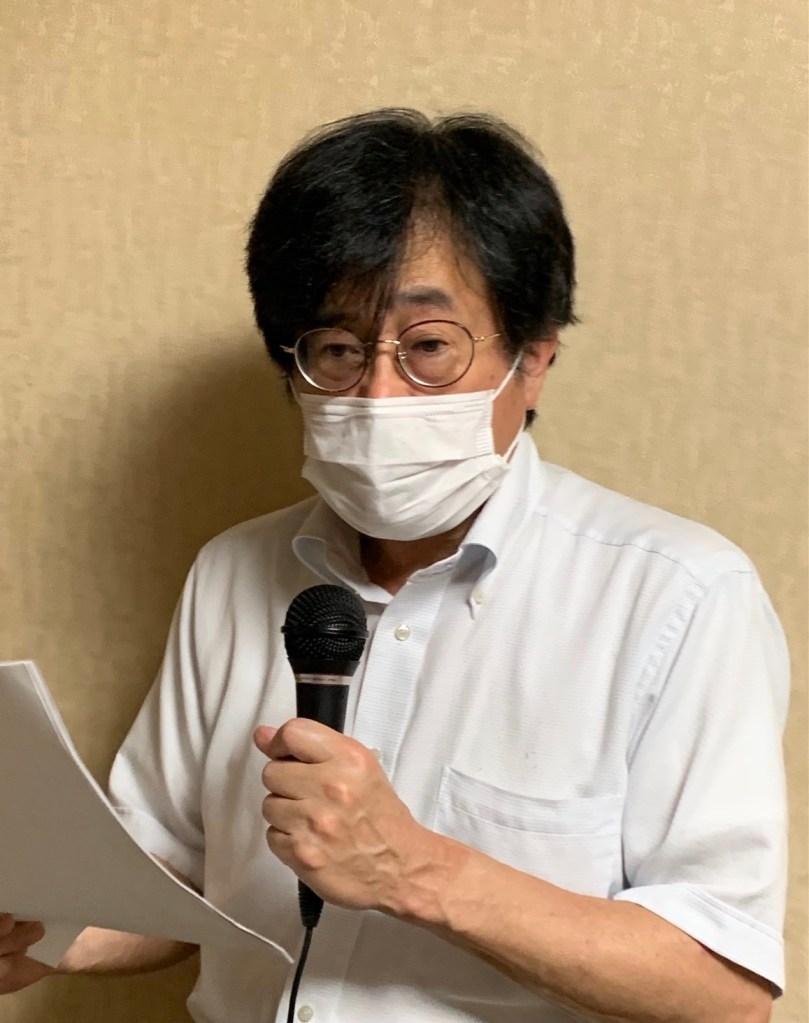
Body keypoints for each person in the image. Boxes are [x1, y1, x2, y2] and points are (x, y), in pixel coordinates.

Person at [0, 109, 788, 1022]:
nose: (376, 392)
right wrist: (44, 931)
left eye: (428, 348)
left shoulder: (678, 595)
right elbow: (175, 867)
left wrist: (414, 868)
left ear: (532, 359)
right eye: (337, 350)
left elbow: (721, 989)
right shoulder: (230, 570)